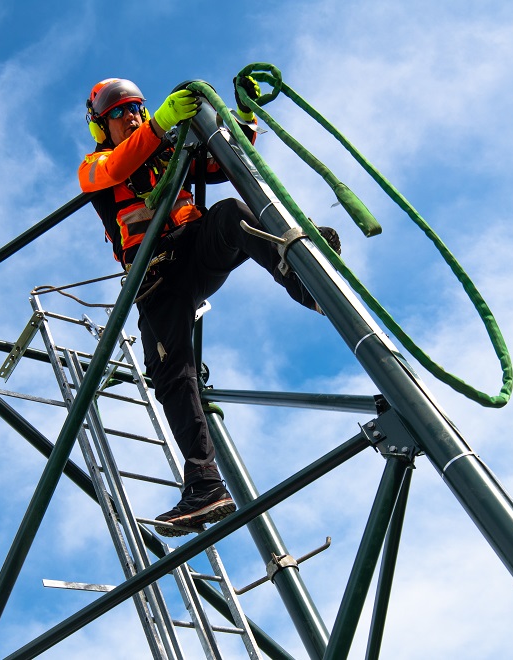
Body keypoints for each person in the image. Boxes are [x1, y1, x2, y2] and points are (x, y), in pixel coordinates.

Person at [77, 78, 339, 536]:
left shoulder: (166, 150)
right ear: (101, 126)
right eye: (120, 113)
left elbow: (223, 160)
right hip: (155, 277)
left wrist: (244, 118)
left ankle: (306, 283)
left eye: (137, 109)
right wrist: (160, 124)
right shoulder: (97, 164)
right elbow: (116, 169)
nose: (133, 117)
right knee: (173, 376)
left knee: (230, 215)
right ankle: (204, 485)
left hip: (193, 251)